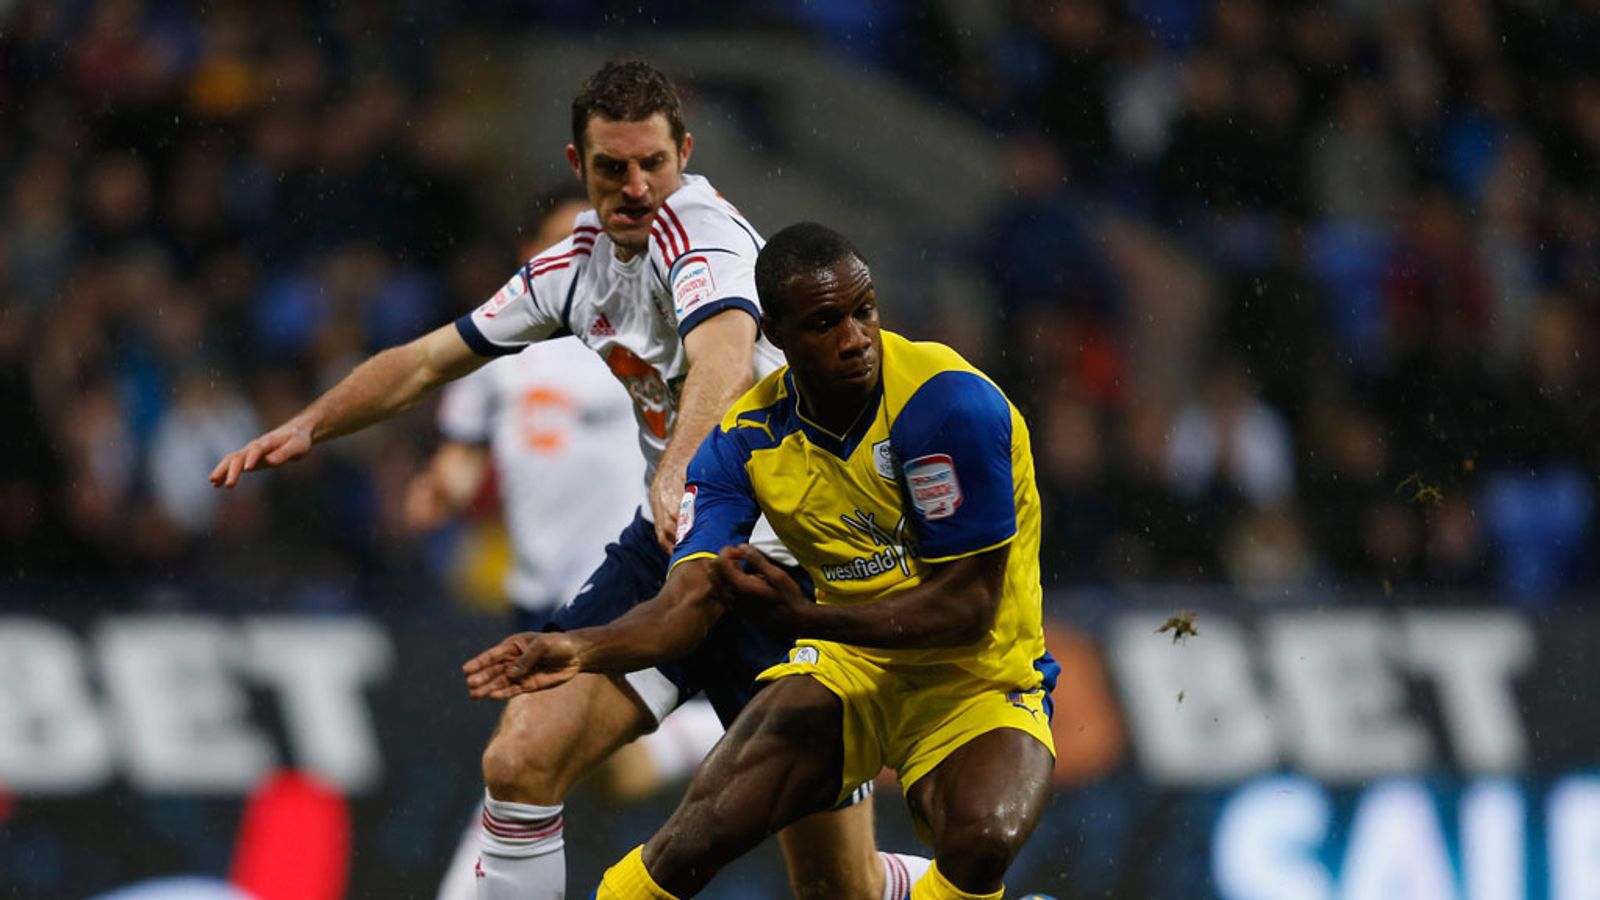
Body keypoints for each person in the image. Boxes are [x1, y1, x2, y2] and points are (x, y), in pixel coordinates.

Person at [211, 59, 925, 900]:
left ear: (684, 154)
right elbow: (426, 360)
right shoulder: (573, 267)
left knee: (836, 890)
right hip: (667, 557)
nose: (635, 187)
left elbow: (725, 354)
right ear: (576, 166)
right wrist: (310, 423)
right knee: (520, 759)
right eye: (611, 168)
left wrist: (683, 468)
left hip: (794, 566)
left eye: (652, 163)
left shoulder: (706, 236)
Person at [464, 222, 1059, 900]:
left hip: (977, 680)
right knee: (688, 845)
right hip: (849, 673)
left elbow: (966, 611)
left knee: (981, 841)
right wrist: (578, 647)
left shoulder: (947, 404)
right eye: (826, 323)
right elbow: (684, 607)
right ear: (775, 334)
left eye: (863, 310)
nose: (855, 338)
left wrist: (807, 616)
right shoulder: (741, 444)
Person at [405, 192, 724, 900]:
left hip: (620, 584)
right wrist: (442, 490)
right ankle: (733, 732)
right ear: (532, 259)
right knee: (577, 765)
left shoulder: (646, 338)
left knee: (521, 758)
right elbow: (462, 457)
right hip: (536, 589)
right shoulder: (494, 356)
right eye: (565, 241)